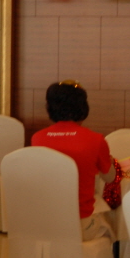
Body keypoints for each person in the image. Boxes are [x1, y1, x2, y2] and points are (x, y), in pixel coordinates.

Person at [30, 81, 115, 240]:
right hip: (80, 225)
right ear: (83, 107)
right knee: (109, 225)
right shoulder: (95, 140)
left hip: (45, 224)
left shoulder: (37, 139)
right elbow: (110, 178)